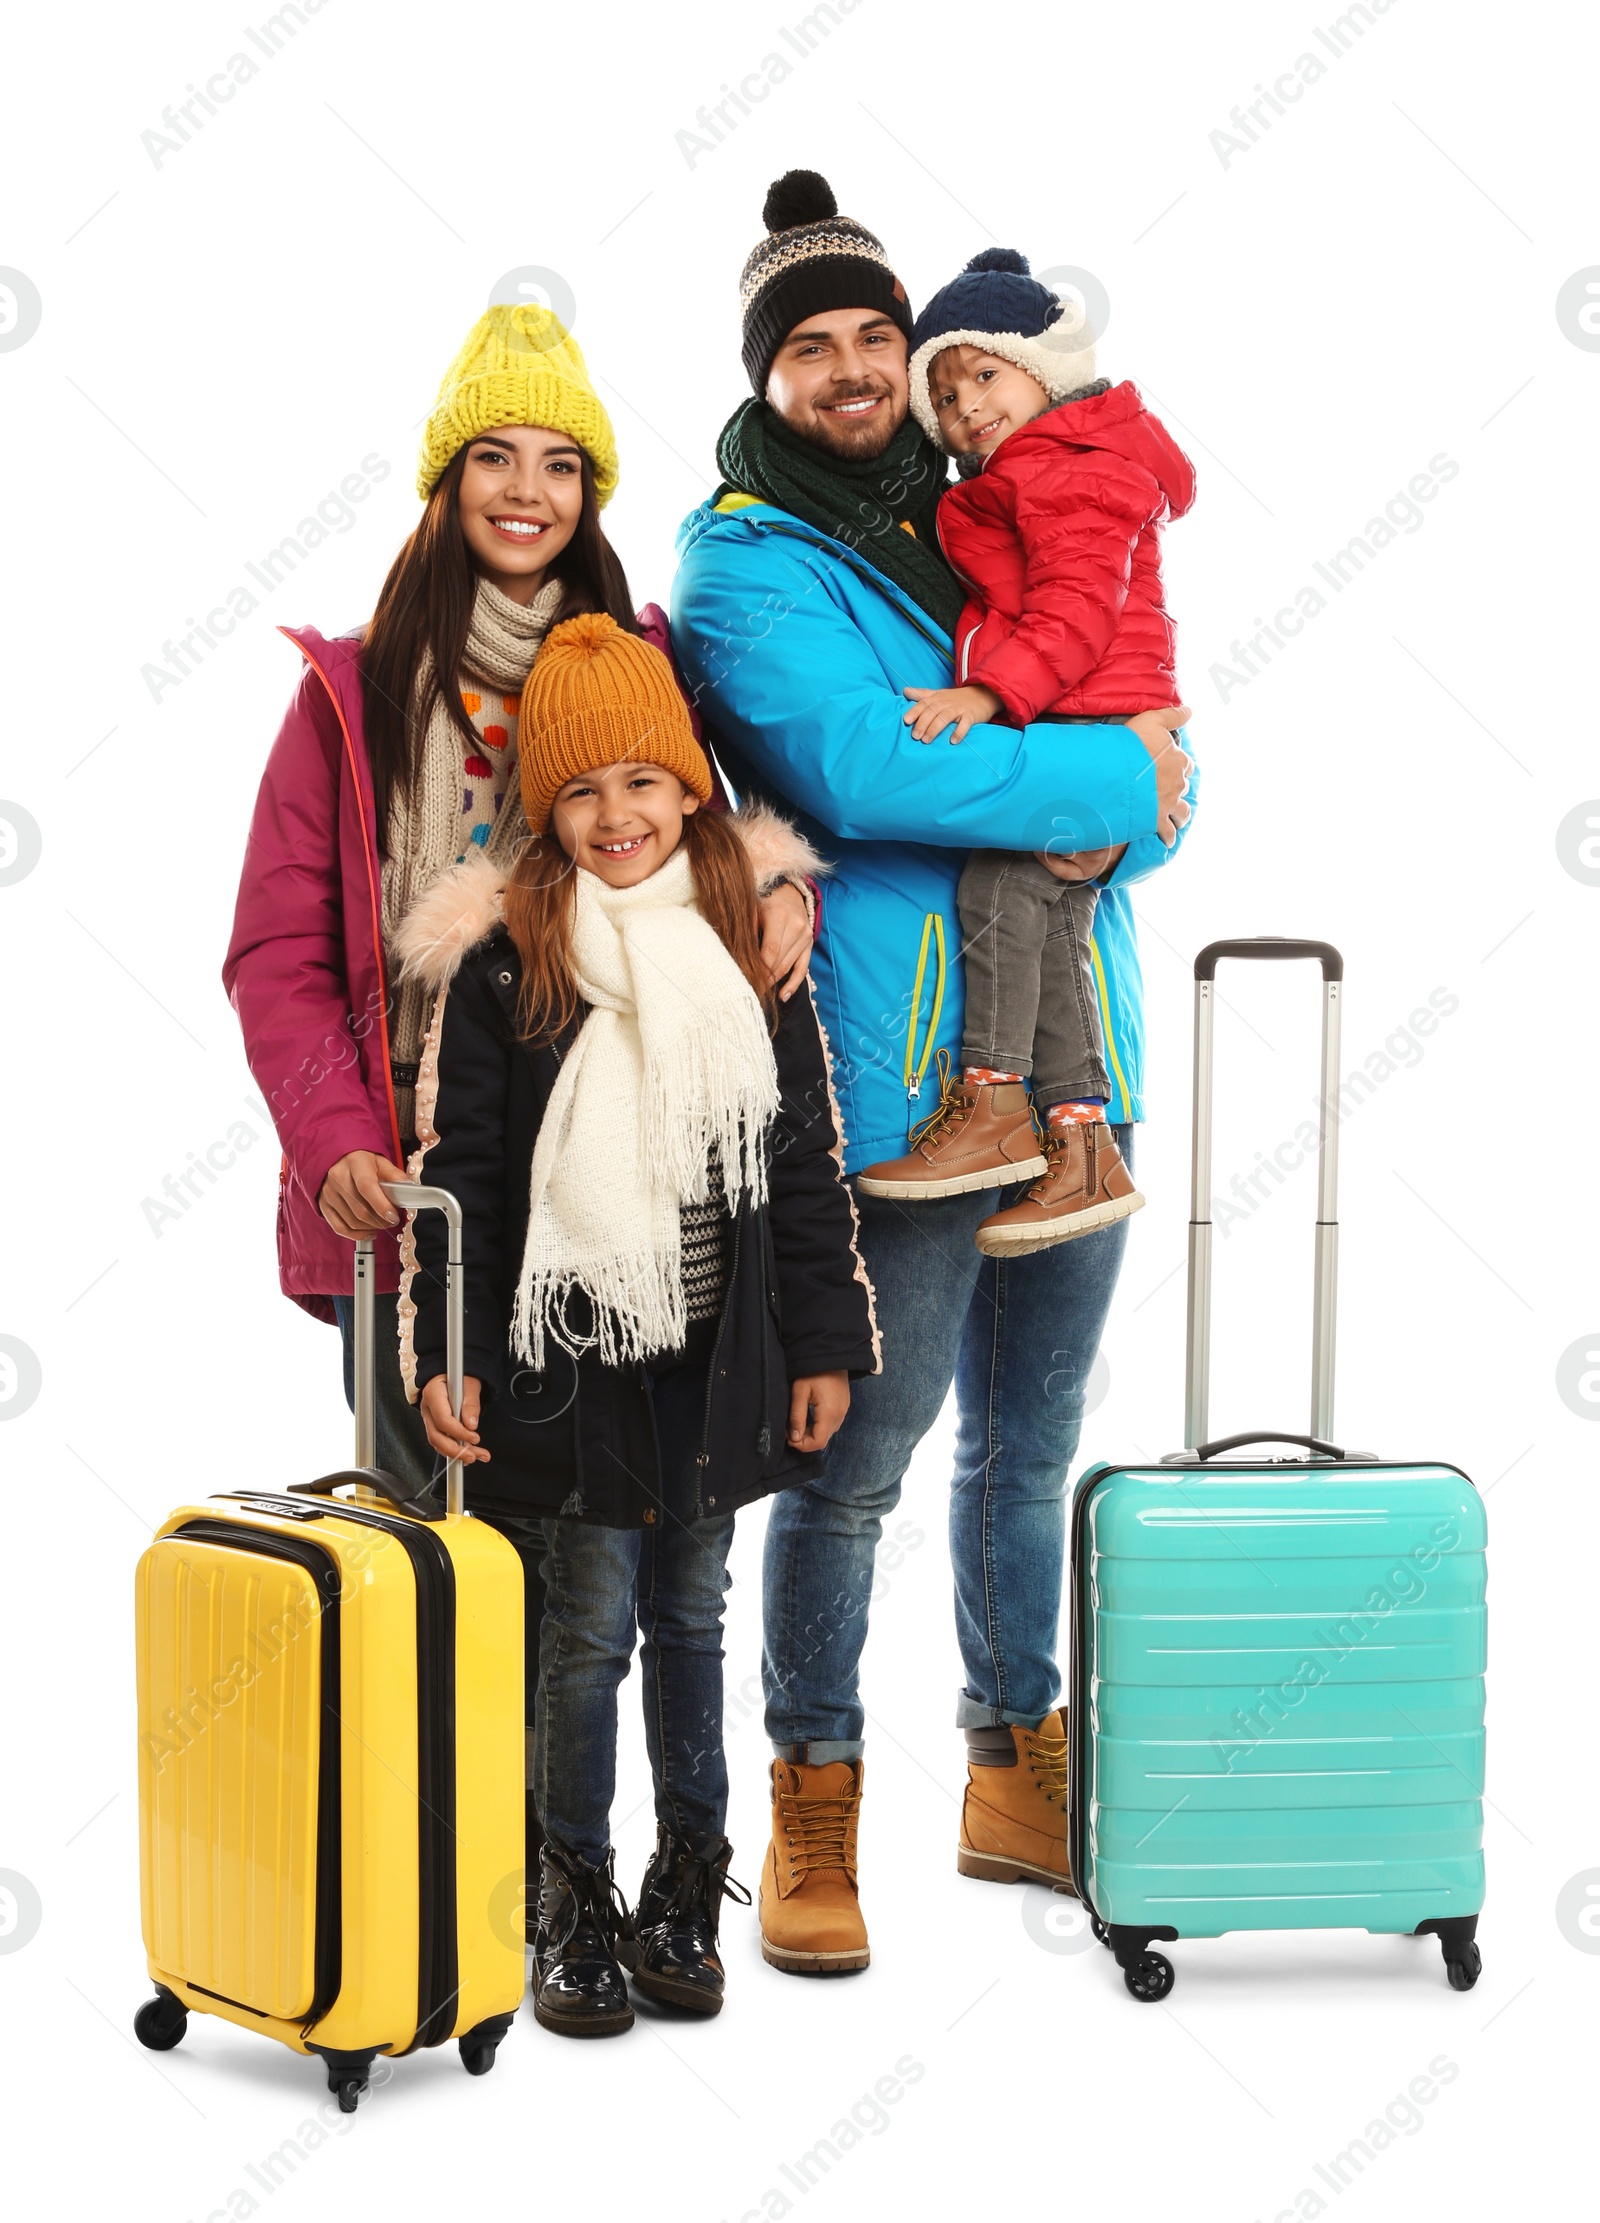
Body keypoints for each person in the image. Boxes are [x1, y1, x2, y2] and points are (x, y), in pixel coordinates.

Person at [669, 169, 1196, 1973]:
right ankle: (813, 1792)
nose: (852, 371)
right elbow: (872, 779)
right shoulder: (744, 555)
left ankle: (1011, 1756)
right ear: (769, 373)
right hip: (897, 1100)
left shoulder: (993, 504)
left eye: (874, 337)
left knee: (1033, 1439)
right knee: (858, 1457)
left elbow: (1146, 755)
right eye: (808, 345)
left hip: (1077, 1071)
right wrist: (1132, 785)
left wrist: (1141, 798)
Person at [222, 300, 813, 1896]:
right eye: (495, 455)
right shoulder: (352, 694)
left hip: (623, 1185)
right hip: (426, 1189)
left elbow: (716, 824)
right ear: (445, 479)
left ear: (594, 496)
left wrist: (777, 882)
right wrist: (341, 1134)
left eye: (562, 463)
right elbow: (279, 949)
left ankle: (578, 1877)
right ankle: (463, 1892)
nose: (528, 490)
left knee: (612, 1563)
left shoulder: (645, 665)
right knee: (449, 1541)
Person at [400, 612, 878, 2035]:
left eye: (645, 781)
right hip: (572, 1364)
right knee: (587, 1629)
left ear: (690, 790)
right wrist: (450, 1348)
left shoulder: (744, 948)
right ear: (545, 813)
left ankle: (688, 1874)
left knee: (691, 1613)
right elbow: (469, 1181)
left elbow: (801, 1157)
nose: (618, 815)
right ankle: (575, 1894)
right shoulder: (511, 967)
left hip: (715, 1361)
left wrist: (826, 1337)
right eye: (582, 790)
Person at [859, 247, 1196, 1256]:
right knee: (1050, 934)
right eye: (945, 395)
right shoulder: (1046, 469)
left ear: (1044, 371)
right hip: (1092, 716)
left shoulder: (1065, 471)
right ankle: (1083, 1146)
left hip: (1084, 712)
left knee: (999, 900)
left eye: (984, 376)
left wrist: (987, 692)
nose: (964, 408)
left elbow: (1075, 614)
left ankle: (997, 1099)